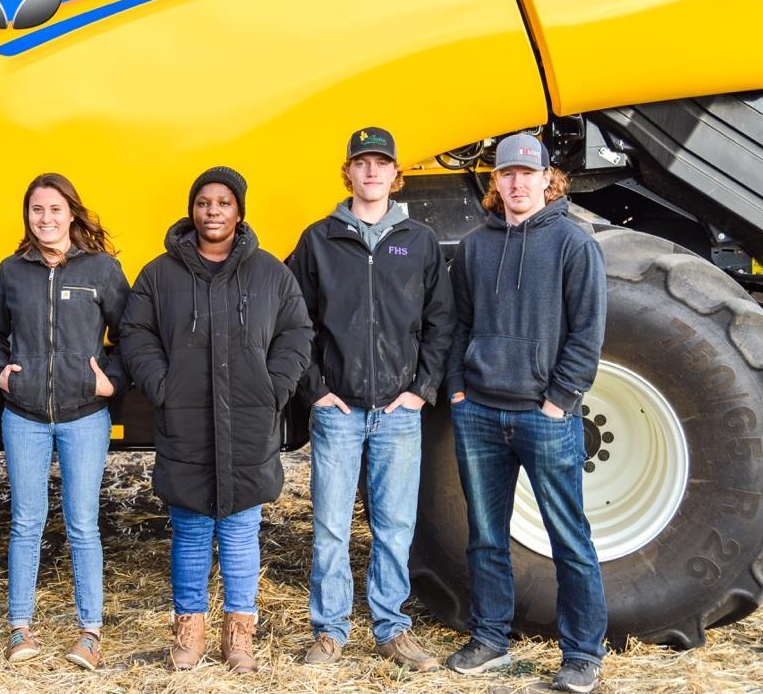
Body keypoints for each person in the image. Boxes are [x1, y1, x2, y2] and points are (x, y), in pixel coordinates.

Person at [121, 166, 313, 674]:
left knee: (241, 531)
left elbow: (297, 333)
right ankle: (189, 632)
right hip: (185, 421)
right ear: (192, 210)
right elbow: (134, 333)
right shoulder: (159, 275)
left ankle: (239, 637)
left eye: (224, 203)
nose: (213, 211)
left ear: (239, 211)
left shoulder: (270, 274)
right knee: (189, 530)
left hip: (248, 422)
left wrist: (274, 388)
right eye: (204, 202)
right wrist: (161, 385)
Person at [443, 132, 607, 693]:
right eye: (507, 174)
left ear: (547, 179)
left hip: (545, 417)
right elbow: (459, 324)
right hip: (479, 413)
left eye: (527, 173)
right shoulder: (474, 247)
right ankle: (491, 638)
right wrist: (458, 390)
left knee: (569, 538)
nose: (517, 183)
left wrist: (560, 400)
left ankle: (581, 654)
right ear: (496, 181)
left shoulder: (573, 243)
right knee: (486, 536)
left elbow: (587, 332)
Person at [288, 127, 454, 670]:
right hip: (338, 411)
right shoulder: (319, 240)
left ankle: (392, 629)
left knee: (395, 526)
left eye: (381, 163)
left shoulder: (419, 241)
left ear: (395, 174)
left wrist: (421, 390)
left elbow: (440, 322)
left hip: (398, 412)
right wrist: (315, 390)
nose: (372, 171)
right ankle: (330, 632)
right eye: (362, 162)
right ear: (349, 172)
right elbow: (295, 322)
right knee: (330, 527)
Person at [0, 172, 129, 671]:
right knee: (26, 522)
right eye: (37, 210)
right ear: (28, 216)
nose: (45, 219)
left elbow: (131, 334)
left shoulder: (102, 269)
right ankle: (19, 628)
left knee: (82, 523)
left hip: (84, 416)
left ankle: (90, 633)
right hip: (24, 416)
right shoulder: (12, 271)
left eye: (55, 210)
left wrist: (109, 381)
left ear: (71, 214)